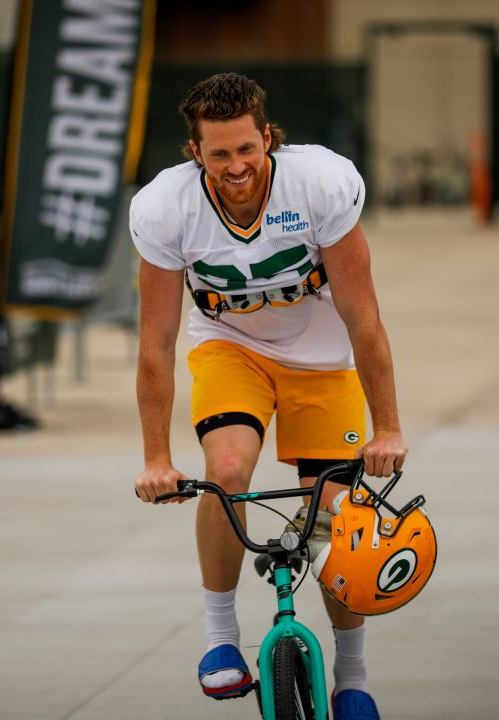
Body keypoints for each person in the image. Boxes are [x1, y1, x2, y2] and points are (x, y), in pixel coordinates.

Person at [130, 72, 406, 720]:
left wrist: (387, 428)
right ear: (195, 152)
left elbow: (364, 319)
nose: (236, 166)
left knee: (338, 518)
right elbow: (156, 343)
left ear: (268, 139)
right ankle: (222, 639)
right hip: (231, 351)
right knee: (225, 472)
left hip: (321, 362)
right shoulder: (166, 208)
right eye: (219, 153)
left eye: (247, 150)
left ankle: (353, 677)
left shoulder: (320, 185)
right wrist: (153, 458)